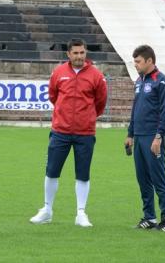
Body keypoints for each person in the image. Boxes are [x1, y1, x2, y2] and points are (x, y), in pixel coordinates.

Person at [30, 38, 107, 227]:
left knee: (83, 174)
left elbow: (100, 103)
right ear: (68, 54)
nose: (79, 56)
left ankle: (81, 213)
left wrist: (86, 117)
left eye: (82, 52)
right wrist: (64, 115)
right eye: (76, 53)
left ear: (86, 53)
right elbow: (53, 96)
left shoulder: (96, 75)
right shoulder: (59, 72)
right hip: (60, 131)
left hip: (85, 133)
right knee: (52, 171)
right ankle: (47, 209)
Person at [124, 45, 165, 232]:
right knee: (143, 179)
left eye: (138, 61)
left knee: (158, 178)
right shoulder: (138, 81)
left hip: (154, 138)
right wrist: (130, 134)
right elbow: (135, 110)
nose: (135, 64)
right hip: (139, 137)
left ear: (149, 61)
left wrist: (159, 137)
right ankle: (149, 217)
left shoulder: (162, 82)